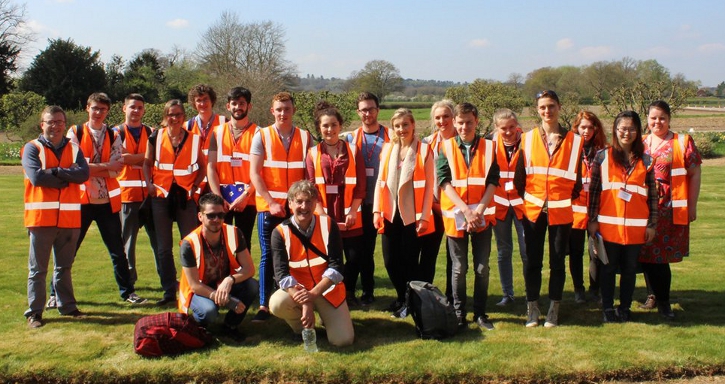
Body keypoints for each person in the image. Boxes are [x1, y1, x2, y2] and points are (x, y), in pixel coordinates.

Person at [65, 92, 146, 305]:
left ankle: (128, 292)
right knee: (69, 251)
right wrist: (104, 167)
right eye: (95, 108)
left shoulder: (113, 135)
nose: (98, 113)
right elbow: (74, 168)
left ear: (108, 111)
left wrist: (92, 168)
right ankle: (57, 294)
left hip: (107, 202)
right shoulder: (75, 132)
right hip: (82, 201)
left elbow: (117, 169)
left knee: (118, 252)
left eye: (103, 109)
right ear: (87, 108)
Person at [514, 90, 583, 328]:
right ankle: (532, 308)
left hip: (561, 212)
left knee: (557, 262)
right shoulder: (528, 138)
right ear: (537, 110)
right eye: (543, 107)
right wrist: (536, 199)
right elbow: (519, 179)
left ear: (559, 107)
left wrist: (558, 197)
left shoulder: (575, 140)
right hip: (533, 212)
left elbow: (577, 181)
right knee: (532, 261)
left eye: (551, 106)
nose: (547, 111)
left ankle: (554, 308)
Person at [587, 111, 658, 323]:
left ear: (638, 131)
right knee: (607, 270)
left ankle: (625, 308)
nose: (627, 133)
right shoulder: (602, 157)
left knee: (629, 271)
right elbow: (594, 192)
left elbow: (652, 197)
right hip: (608, 229)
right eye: (622, 128)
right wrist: (592, 221)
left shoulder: (647, 161)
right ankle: (607, 308)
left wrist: (652, 224)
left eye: (632, 129)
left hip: (636, 229)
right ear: (615, 130)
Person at [23, 106, 90, 328]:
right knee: (38, 270)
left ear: (64, 123)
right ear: (42, 124)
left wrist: (56, 172)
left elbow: (83, 174)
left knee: (64, 267)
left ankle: (68, 307)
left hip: (69, 219)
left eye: (60, 122)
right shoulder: (32, 148)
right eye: (51, 122)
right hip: (41, 219)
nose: (56, 126)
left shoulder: (73, 147)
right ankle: (35, 313)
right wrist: (66, 173)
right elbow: (36, 178)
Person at [249, 91, 313, 322]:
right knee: (268, 254)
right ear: (272, 111)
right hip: (269, 208)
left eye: (287, 109)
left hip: (298, 209)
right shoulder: (262, 135)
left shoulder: (305, 137)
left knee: (297, 254)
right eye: (279, 109)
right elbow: (255, 174)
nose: (283, 113)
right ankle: (264, 305)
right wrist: (272, 202)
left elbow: (309, 175)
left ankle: (299, 299)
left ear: (293, 110)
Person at [269, 180, 354, 347]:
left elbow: (337, 267)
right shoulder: (279, 232)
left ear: (316, 203)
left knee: (343, 341)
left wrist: (313, 294)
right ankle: (301, 328)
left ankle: (325, 317)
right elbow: (281, 274)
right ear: (290, 203)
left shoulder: (329, 225)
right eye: (299, 201)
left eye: (309, 201)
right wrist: (305, 300)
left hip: (327, 290)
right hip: (298, 291)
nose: (304, 206)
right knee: (277, 304)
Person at [437, 103, 500, 330]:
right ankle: (459, 313)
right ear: (454, 122)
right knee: (459, 268)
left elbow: (493, 181)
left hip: (481, 216)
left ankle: (481, 314)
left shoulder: (490, 147)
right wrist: (465, 210)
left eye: (469, 122)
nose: (464, 126)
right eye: (460, 122)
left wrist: (478, 211)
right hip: (457, 215)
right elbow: (443, 182)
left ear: (476, 121)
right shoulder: (445, 147)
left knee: (482, 268)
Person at [638, 100, 702, 320]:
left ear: (669, 119)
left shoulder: (682, 142)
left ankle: (664, 301)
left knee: (661, 257)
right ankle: (652, 295)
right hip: (643, 208)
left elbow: (694, 173)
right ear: (647, 119)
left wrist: (692, 205)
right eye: (653, 118)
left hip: (668, 209)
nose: (657, 122)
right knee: (645, 254)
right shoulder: (641, 141)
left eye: (662, 118)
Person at [373, 108, 434, 318]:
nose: (401, 129)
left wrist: (425, 216)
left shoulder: (424, 150)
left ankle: (410, 303)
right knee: (390, 261)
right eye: (397, 126)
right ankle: (402, 297)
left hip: (412, 215)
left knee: (410, 262)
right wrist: (376, 210)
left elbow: (429, 188)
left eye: (405, 125)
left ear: (413, 125)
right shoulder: (388, 149)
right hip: (390, 213)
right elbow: (380, 181)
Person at [143, 99, 206, 306]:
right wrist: (148, 185)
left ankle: (191, 287)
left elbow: (203, 167)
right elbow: (147, 162)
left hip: (185, 198)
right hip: (161, 196)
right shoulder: (155, 136)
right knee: (163, 247)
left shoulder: (194, 139)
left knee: (189, 244)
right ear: (165, 116)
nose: (175, 118)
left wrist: (195, 187)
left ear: (183, 117)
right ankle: (169, 290)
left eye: (178, 114)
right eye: (171, 114)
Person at [305, 101, 366, 307]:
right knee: (331, 259)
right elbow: (312, 188)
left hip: (351, 215)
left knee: (355, 257)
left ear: (340, 126)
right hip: (325, 216)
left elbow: (361, 185)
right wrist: (322, 215)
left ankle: (348, 290)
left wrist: (354, 211)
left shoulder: (353, 150)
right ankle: (332, 294)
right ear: (319, 128)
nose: (329, 129)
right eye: (325, 126)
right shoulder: (313, 154)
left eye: (333, 124)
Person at [178, 193, 259, 340]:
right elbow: (195, 285)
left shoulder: (234, 232)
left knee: (252, 285)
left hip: (223, 283)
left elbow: (249, 269)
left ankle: (230, 325)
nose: (217, 220)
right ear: (200, 217)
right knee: (208, 312)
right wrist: (226, 301)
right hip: (200, 289)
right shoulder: (188, 243)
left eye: (221, 215)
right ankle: (200, 327)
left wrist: (230, 280)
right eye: (211, 215)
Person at [344, 92, 391, 306]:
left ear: (378, 110)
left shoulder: (390, 136)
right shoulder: (351, 138)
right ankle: (355, 291)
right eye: (363, 109)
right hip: (357, 204)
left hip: (381, 203)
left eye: (371, 109)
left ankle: (369, 290)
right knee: (358, 252)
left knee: (372, 249)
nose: (367, 113)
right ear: (358, 112)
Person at [114, 93, 158, 286]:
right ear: (124, 108)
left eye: (140, 108)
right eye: (132, 107)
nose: (136, 111)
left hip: (150, 196)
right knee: (127, 244)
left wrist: (135, 158)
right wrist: (145, 157)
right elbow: (121, 159)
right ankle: (129, 283)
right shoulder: (115, 133)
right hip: (127, 196)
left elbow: (157, 158)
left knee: (159, 243)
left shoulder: (152, 131)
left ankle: (167, 281)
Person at [207, 87, 258, 250]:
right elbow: (211, 167)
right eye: (234, 103)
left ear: (249, 106)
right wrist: (218, 199)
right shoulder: (217, 132)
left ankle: (244, 276)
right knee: (221, 243)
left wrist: (244, 197)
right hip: (223, 200)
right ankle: (223, 276)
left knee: (244, 243)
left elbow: (261, 171)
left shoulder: (259, 133)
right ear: (228, 106)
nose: (238, 107)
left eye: (242, 103)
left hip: (247, 201)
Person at [568, 110, 607, 304]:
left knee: (596, 253)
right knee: (575, 254)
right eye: (582, 127)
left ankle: (595, 289)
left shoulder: (604, 151)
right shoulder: (570, 149)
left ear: (596, 128)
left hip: (596, 212)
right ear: (576, 127)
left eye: (590, 127)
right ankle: (578, 290)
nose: (586, 131)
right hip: (575, 211)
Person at [490, 109, 527, 307]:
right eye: (503, 128)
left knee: (526, 250)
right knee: (504, 251)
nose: (508, 132)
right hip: (500, 205)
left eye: (512, 127)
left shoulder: (528, 143)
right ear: (496, 128)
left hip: (523, 205)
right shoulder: (490, 145)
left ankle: (532, 293)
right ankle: (508, 294)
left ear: (517, 125)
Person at [421, 100, 457, 292]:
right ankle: (424, 298)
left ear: (453, 117)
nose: (442, 121)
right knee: (428, 254)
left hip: (457, 208)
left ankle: (453, 298)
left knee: (455, 257)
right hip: (433, 206)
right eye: (438, 117)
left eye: (446, 116)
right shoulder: (427, 143)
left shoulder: (463, 140)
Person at [185, 84, 226, 197]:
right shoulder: (187, 126)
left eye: (205, 99)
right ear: (194, 103)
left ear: (212, 100)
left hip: (218, 179)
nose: (202, 104)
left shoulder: (224, 123)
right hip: (196, 181)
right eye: (199, 100)